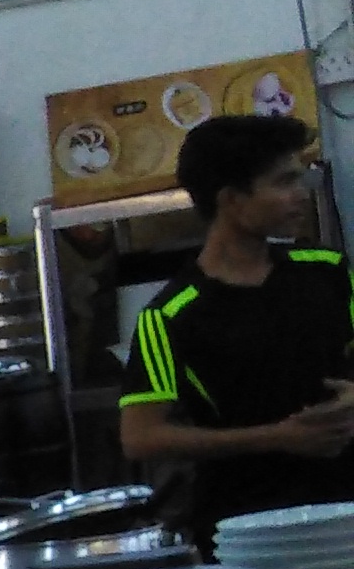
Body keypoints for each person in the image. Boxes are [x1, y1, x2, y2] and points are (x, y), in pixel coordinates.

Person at [115, 112, 353, 541]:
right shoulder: (170, 315)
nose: (301, 194)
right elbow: (142, 436)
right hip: (246, 533)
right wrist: (277, 437)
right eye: (284, 182)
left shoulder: (327, 270)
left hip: (345, 514)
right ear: (231, 200)